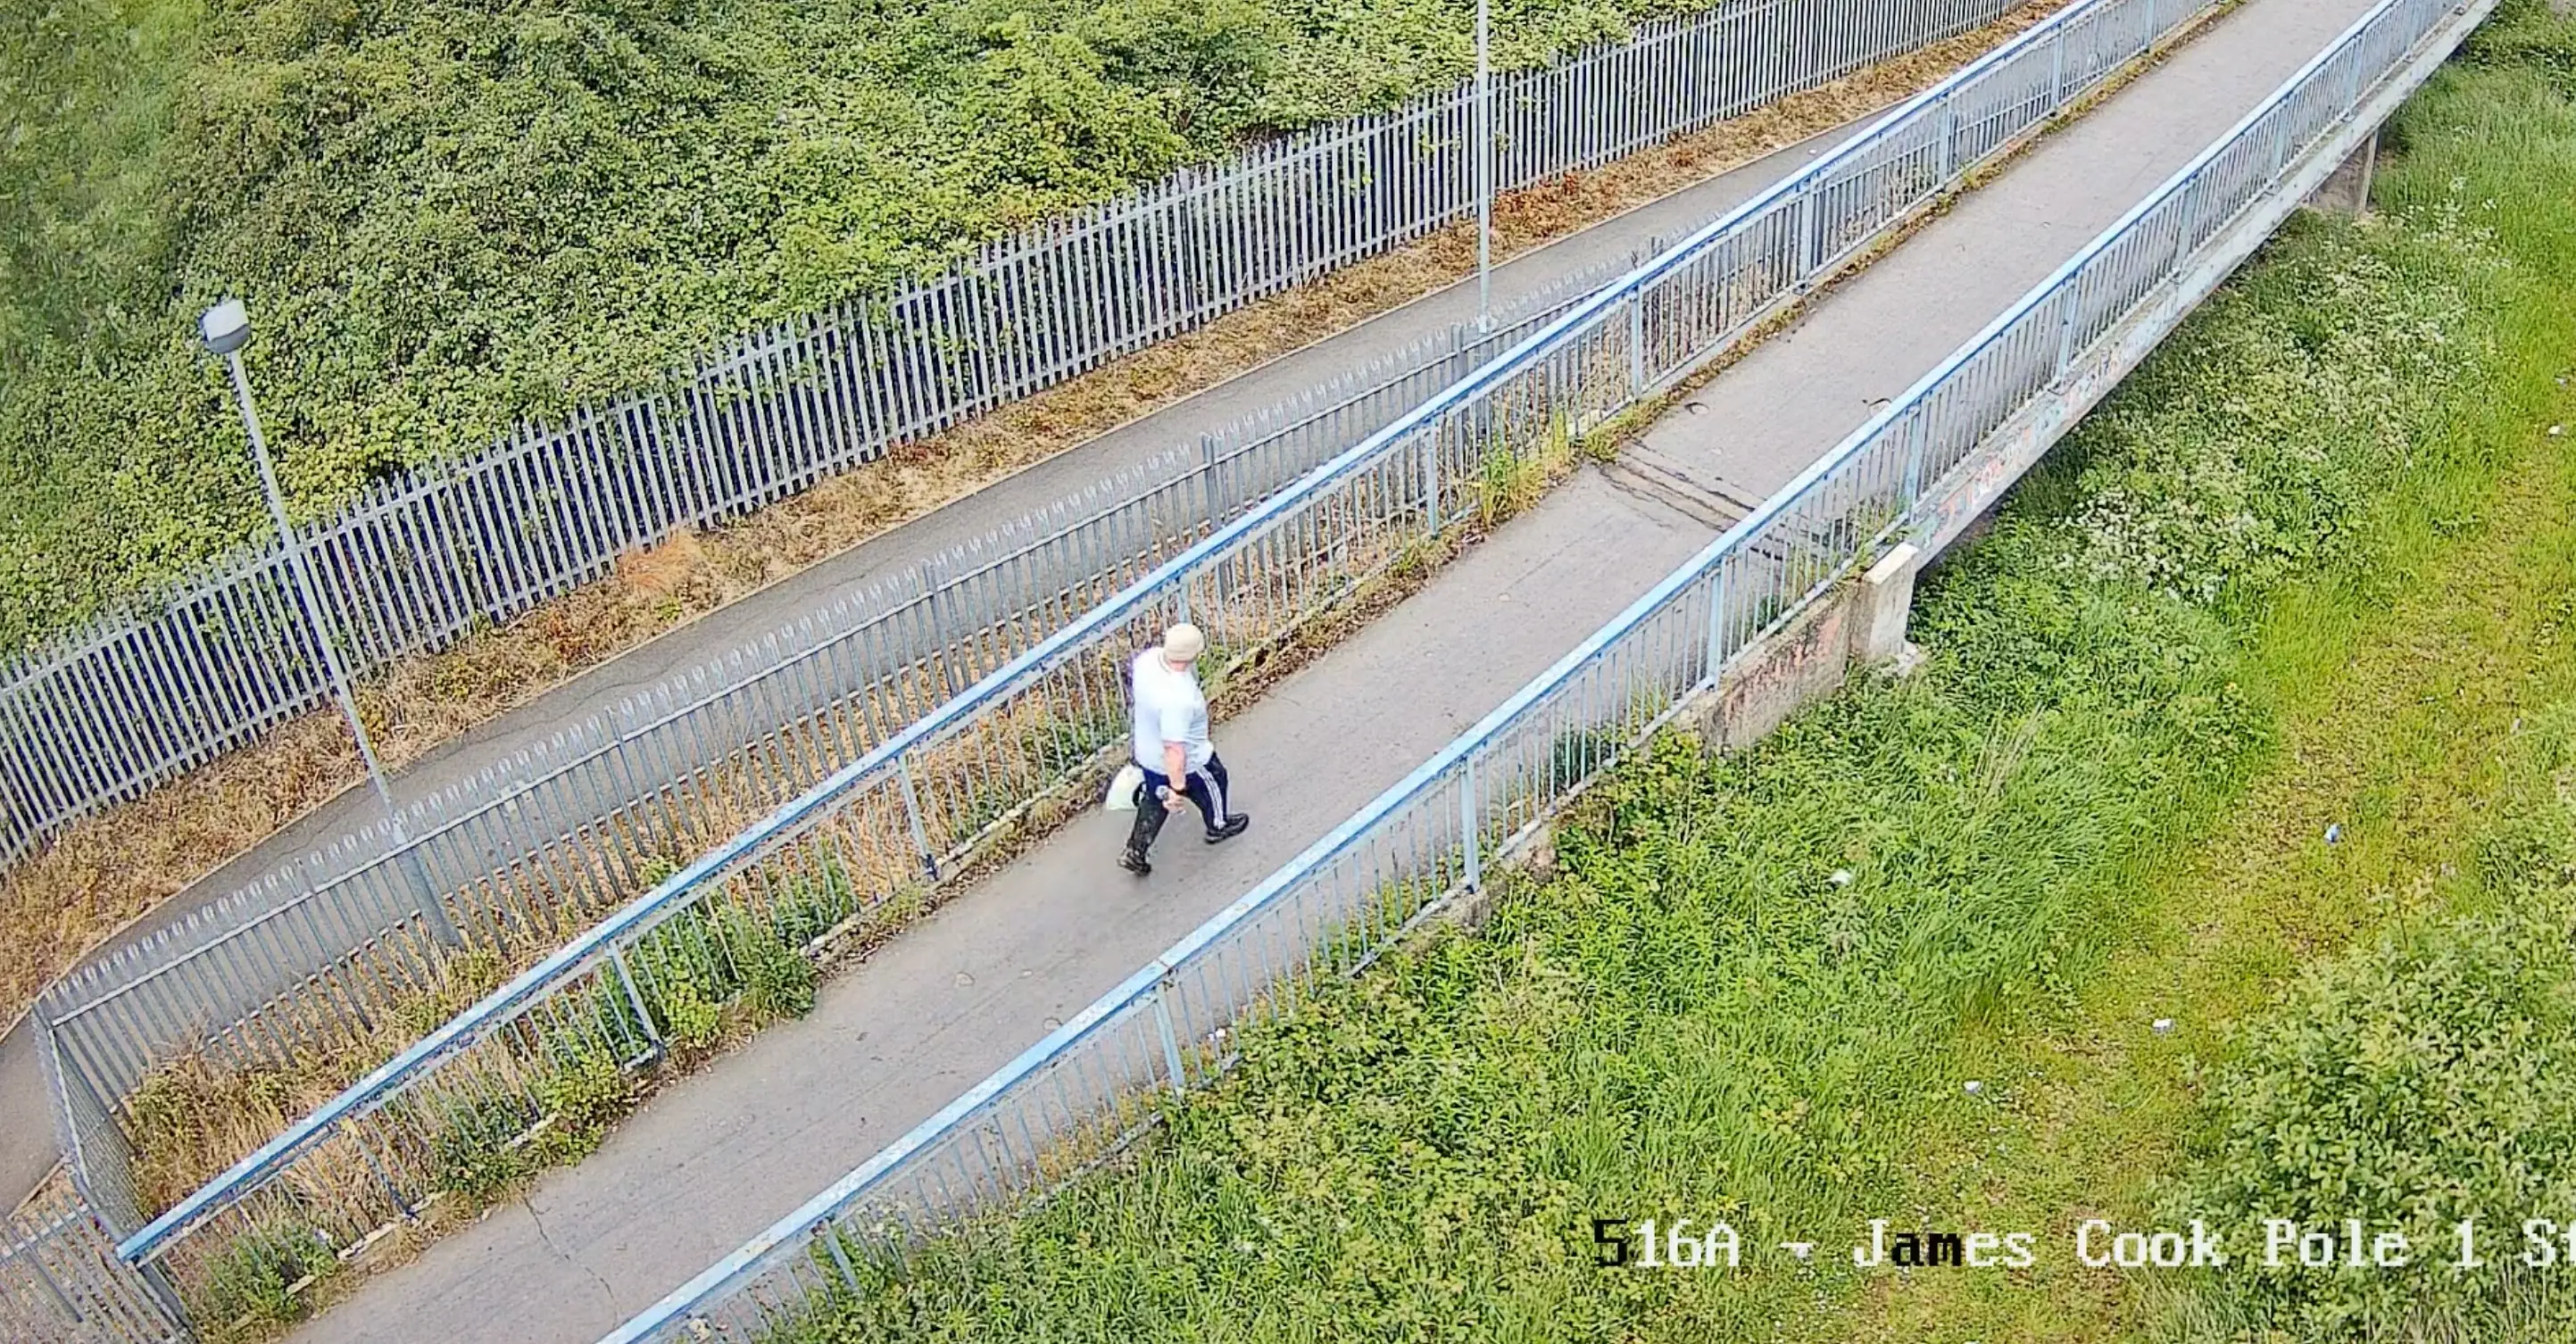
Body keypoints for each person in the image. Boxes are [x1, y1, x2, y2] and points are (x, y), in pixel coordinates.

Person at [1120, 623, 1248, 875]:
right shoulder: (1179, 698)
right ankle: (1218, 825)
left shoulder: (1147, 661)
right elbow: (1174, 749)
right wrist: (1178, 787)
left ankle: (1136, 849)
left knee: (1155, 799)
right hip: (1189, 762)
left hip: (1148, 754)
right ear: (1194, 654)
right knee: (1215, 780)